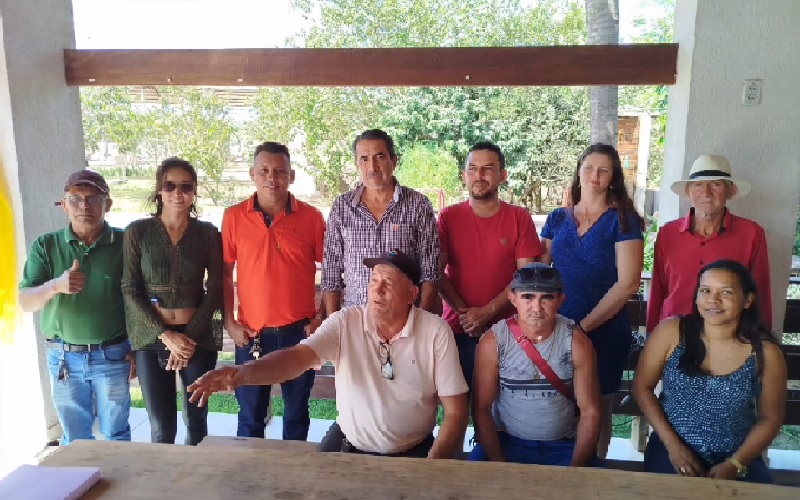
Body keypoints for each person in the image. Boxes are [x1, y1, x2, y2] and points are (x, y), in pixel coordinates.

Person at [189, 251, 469, 458]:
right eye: (373, 280)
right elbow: (297, 357)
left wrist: (430, 467)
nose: (377, 289)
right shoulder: (346, 321)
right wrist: (242, 373)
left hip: (415, 450)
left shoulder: (435, 331)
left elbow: (456, 412)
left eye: (389, 283)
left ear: (412, 294)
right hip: (349, 444)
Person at [633, 260, 786, 483]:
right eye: (705, 290)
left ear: (748, 300)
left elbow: (770, 418)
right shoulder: (672, 332)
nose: (713, 300)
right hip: (672, 447)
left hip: (738, 455)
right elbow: (642, 388)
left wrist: (735, 464)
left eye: (726, 292)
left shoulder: (765, 352)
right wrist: (673, 447)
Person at [539, 143, 644, 458]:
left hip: (605, 332)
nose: (594, 175)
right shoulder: (557, 218)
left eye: (603, 170)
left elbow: (628, 284)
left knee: (597, 406)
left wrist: (582, 328)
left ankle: (593, 472)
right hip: (557, 331)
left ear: (613, 177)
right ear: (579, 171)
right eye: (589, 168)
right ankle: (557, 469)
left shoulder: (623, 221)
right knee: (557, 402)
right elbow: (540, 273)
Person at [19, 170, 133, 445]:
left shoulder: (126, 243)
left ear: (108, 204)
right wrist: (55, 285)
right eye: (75, 199)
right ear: (64, 204)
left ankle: (119, 475)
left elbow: (139, 298)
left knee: (116, 433)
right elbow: (25, 301)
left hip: (113, 354)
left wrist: (139, 348)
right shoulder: (46, 245)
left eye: (94, 199)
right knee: (75, 439)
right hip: (63, 358)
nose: (84, 206)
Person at [222, 141, 326, 440]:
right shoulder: (234, 217)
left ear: (291, 176)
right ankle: (251, 469)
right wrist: (229, 322)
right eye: (264, 170)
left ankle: (294, 469)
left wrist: (320, 316)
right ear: (252, 174)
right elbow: (225, 273)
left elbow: (332, 270)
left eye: (280, 171)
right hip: (252, 334)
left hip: (299, 333)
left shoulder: (311, 217)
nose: (272, 178)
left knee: (296, 413)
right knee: (250, 416)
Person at [122, 157, 222, 446]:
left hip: (198, 337)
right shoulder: (137, 232)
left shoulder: (207, 233)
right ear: (159, 190)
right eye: (170, 186)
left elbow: (216, 287)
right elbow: (130, 288)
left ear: (194, 191)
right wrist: (165, 335)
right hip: (152, 337)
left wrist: (187, 340)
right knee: (162, 428)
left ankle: (196, 474)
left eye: (186, 187)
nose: (178, 193)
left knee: (197, 423)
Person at [469, 263, 603, 466]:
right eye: (528, 297)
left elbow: (590, 411)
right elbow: (481, 408)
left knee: (601, 482)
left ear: (560, 300)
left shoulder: (576, 341)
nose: (537, 307)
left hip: (563, 446)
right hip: (506, 442)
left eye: (547, 297)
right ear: (513, 299)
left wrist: (575, 470)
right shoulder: (494, 341)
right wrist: (498, 462)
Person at [438, 141, 541, 390]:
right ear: (464, 175)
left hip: (509, 330)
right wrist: (467, 315)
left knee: (503, 405)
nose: (479, 176)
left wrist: (487, 311)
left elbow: (526, 276)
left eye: (488, 169)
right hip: (459, 330)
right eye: (472, 169)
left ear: (503, 175)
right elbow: (435, 272)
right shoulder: (448, 217)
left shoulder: (519, 217)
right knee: (459, 403)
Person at [647, 155, 772, 333]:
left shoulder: (752, 234)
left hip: (729, 338)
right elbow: (658, 292)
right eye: (698, 184)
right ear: (689, 191)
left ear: (730, 191)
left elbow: (760, 293)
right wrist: (652, 336)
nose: (706, 192)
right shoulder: (668, 234)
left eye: (716, 184)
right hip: (674, 335)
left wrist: (762, 341)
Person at [321, 129, 440, 314]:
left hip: (403, 320)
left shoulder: (418, 205)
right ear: (357, 164)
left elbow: (430, 273)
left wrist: (419, 323)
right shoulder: (342, 207)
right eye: (364, 159)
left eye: (380, 157)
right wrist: (333, 323)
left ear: (394, 161)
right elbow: (331, 273)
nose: (372, 167)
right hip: (356, 319)